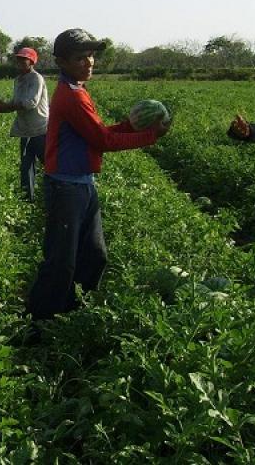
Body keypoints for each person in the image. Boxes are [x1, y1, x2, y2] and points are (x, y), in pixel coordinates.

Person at [26, 29, 171, 325]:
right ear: (62, 62)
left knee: (95, 256)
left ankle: (74, 314)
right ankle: (37, 324)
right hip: (66, 188)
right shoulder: (71, 96)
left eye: (91, 56)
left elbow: (98, 135)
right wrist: (150, 135)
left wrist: (129, 126)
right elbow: (104, 142)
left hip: (82, 185)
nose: (89, 62)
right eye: (80, 57)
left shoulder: (78, 90)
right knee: (60, 262)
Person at [0, 47, 49, 201]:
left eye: (24, 59)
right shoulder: (18, 80)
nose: (20, 61)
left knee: (50, 164)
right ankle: (28, 200)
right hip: (25, 129)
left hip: (40, 128)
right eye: (19, 59)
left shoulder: (36, 78)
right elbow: (15, 103)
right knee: (26, 167)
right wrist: (0, 108)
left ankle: (56, 195)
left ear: (32, 61)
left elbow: (30, 103)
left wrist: (6, 107)